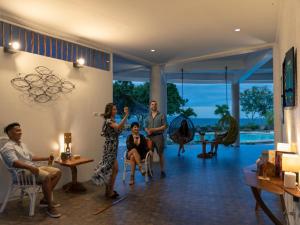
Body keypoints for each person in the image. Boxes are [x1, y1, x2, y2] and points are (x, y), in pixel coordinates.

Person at [0, 122, 62, 218]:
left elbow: (31, 157)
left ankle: (45, 199)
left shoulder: (22, 144)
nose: (20, 132)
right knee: (47, 177)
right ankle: (50, 207)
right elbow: (14, 162)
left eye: (20, 130)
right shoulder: (7, 147)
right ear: (10, 133)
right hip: (22, 174)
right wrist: (30, 167)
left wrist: (46, 158)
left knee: (57, 172)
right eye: (17, 130)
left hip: (32, 168)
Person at [92, 103, 129, 199]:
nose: (115, 111)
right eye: (114, 109)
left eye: (116, 109)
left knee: (113, 169)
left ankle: (108, 191)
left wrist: (97, 114)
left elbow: (118, 127)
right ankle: (110, 191)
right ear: (110, 111)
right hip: (110, 147)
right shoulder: (109, 121)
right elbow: (117, 127)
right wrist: (126, 115)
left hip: (112, 146)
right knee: (113, 169)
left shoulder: (110, 120)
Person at [144, 100, 167, 178]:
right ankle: (150, 170)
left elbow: (164, 126)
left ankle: (162, 170)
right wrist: (147, 131)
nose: (154, 106)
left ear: (157, 106)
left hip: (159, 137)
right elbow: (145, 127)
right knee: (150, 154)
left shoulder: (162, 115)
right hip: (150, 138)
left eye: (155, 104)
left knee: (160, 154)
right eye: (152, 104)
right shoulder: (147, 117)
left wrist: (154, 130)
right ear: (150, 106)